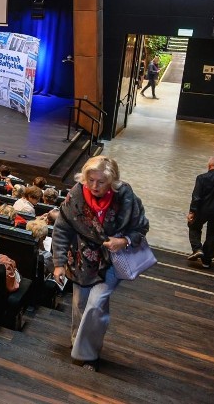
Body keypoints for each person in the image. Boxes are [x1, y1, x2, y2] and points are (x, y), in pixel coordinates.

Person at [51, 156, 149, 371]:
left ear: (112, 181)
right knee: (79, 305)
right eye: (90, 180)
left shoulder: (126, 197)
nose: (94, 186)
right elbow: (61, 230)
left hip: (112, 260)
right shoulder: (75, 196)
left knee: (96, 304)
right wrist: (58, 263)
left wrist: (123, 241)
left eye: (101, 181)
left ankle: (89, 354)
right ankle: (77, 341)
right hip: (82, 261)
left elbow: (141, 227)